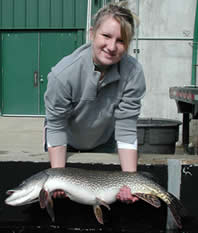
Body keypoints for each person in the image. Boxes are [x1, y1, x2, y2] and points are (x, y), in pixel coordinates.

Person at [44, 2, 146, 202]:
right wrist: (58, 176)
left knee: (103, 201)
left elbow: (126, 128)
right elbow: (55, 126)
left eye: (121, 40)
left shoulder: (134, 73)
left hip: (105, 142)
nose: (111, 47)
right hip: (66, 144)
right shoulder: (62, 75)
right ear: (92, 33)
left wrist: (131, 183)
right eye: (106, 36)